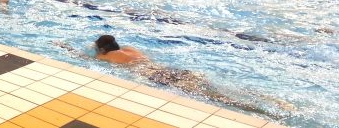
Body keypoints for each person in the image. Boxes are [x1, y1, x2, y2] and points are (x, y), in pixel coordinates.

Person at [88, 35, 287, 115]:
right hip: (170, 70)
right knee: (223, 90)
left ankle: (263, 112)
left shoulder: (108, 57)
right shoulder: (130, 49)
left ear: (103, 49)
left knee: (218, 98)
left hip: (157, 77)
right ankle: (271, 100)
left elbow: (90, 58)